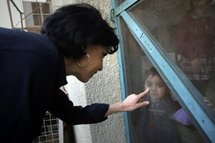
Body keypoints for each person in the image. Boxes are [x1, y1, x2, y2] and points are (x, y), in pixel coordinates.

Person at [0, 3, 150, 143]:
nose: (101, 67)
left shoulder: (45, 62)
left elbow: (71, 114)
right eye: (103, 55)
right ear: (85, 46)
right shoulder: (38, 60)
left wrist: (122, 106)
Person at [175, 0, 215, 95]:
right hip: (192, 62)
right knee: (193, 91)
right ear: (194, 2)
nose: (205, 3)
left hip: (208, 61)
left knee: (205, 90)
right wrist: (192, 57)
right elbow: (180, 41)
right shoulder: (187, 20)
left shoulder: (210, 20)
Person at [134, 67, 182, 143]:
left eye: (159, 85)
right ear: (143, 86)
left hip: (165, 138)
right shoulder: (141, 101)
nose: (153, 89)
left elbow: (178, 116)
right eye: (149, 84)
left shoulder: (169, 103)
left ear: (167, 88)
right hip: (145, 136)